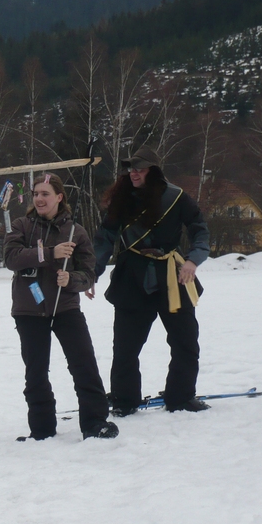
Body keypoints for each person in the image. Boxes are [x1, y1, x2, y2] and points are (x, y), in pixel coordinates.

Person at [88, 146, 210, 415]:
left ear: (153, 172)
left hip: (173, 275)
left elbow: (200, 230)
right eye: (130, 169)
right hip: (132, 276)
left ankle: (181, 397)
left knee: (186, 342)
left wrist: (193, 260)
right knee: (125, 347)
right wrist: (91, 273)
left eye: (139, 169)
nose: (133, 173)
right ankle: (124, 400)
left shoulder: (177, 197)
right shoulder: (121, 198)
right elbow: (105, 239)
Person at [3, 173, 118, 441]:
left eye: (45, 194)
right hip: (29, 310)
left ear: (59, 197)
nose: (39, 199)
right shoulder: (20, 226)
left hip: (65, 308)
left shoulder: (76, 232)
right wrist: (49, 253)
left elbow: (88, 273)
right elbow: (11, 258)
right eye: (35, 194)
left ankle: (95, 422)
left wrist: (72, 280)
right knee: (36, 371)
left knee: (84, 365)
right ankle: (41, 429)